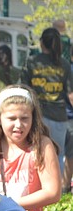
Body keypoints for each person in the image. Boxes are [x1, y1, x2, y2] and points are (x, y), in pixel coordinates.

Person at [0, 85, 62, 211]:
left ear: (33, 118)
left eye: (24, 118)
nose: (19, 125)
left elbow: (52, 192)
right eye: (12, 118)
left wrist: (8, 204)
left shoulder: (40, 146)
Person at [21, 28, 73, 175]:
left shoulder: (32, 61)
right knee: (58, 154)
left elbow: (23, 89)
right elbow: (71, 94)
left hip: (36, 116)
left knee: (35, 153)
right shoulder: (64, 64)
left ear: (41, 42)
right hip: (59, 117)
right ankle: (57, 193)